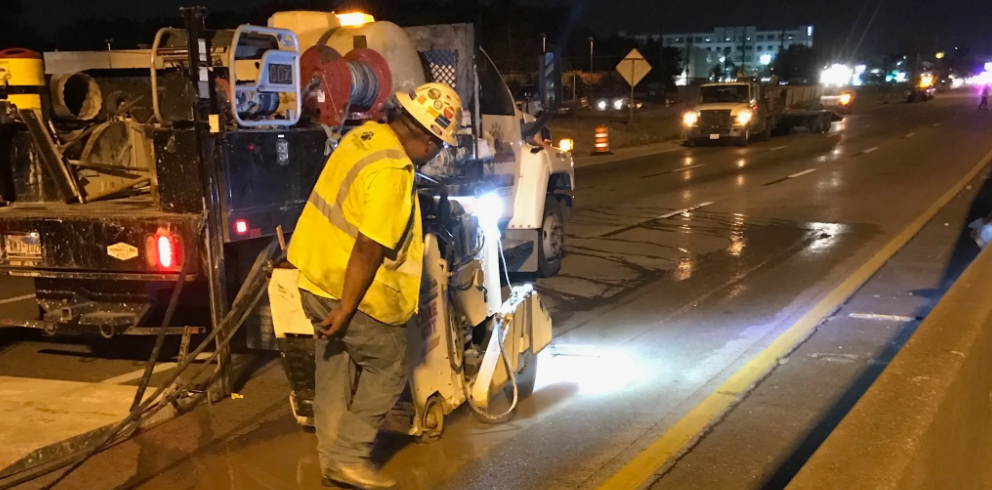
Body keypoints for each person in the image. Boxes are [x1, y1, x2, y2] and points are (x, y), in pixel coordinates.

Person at [288, 82, 462, 489]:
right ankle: (348, 457)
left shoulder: (364, 136)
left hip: (312, 275)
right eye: (438, 147)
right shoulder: (392, 171)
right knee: (388, 365)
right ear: (428, 139)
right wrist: (347, 308)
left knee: (334, 363)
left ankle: (331, 458)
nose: (435, 155)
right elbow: (369, 246)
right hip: (343, 288)